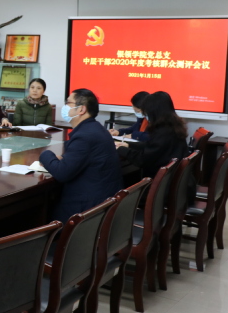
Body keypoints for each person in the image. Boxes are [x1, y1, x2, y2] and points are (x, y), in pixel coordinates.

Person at [39, 89, 123, 223]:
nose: (65, 107)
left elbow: (62, 173)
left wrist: (45, 154)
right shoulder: (97, 129)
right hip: (105, 202)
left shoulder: (84, 136)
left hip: (87, 211)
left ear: (81, 109)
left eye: (68, 103)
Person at [116, 91, 189, 182]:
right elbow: (152, 145)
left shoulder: (163, 132)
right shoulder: (172, 125)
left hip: (159, 180)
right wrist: (129, 145)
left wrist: (121, 149)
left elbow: (143, 160)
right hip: (172, 178)